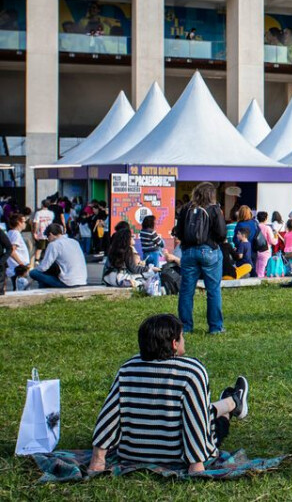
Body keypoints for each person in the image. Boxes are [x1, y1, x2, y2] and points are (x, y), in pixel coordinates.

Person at [89, 314, 250, 474]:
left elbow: (109, 415)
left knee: (202, 410)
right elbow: (196, 420)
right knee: (212, 420)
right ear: (174, 344)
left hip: (133, 455)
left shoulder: (128, 368)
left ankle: (233, 400)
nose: (184, 340)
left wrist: (97, 460)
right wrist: (196, 464)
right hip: (177, 456)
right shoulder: (191, 371)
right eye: (182, 337)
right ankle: (233, 403)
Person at [174, 182, 227, 334]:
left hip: (189, 252)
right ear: (211, 194)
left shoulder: (186, 208)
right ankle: (215, 327)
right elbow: (222, 233)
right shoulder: (214, 209)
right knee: (213, 290)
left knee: (186, 291)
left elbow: (179, 232)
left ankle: (185, 327)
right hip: (209, 250)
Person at [29, 223, 88, 288]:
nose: (48, 240)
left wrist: (37, 269)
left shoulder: (54, 245)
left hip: (68, 283)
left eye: (47, 237)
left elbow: (43, 267)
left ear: (51, 234)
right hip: (82, 280)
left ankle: (42, 291)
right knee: (48, 273)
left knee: (33, 273)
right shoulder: (74, 242)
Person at [6, 213, 30, 288]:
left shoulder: (11, 232)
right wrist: (21, 264)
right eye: (24, 221)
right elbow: (12, 251)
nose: (25, 224)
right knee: (20, 289)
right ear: (19, 222)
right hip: (17, 268)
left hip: (16, 267)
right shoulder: (15, 234)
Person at [254, 211, 276, 278]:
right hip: (265, 250)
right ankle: (260, 282)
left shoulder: (255, 227)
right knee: (263, 269)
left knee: (257, 268)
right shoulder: (267, 228)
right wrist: (276, 239)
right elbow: (272, 241)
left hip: (256, 250)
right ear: (266, 218)